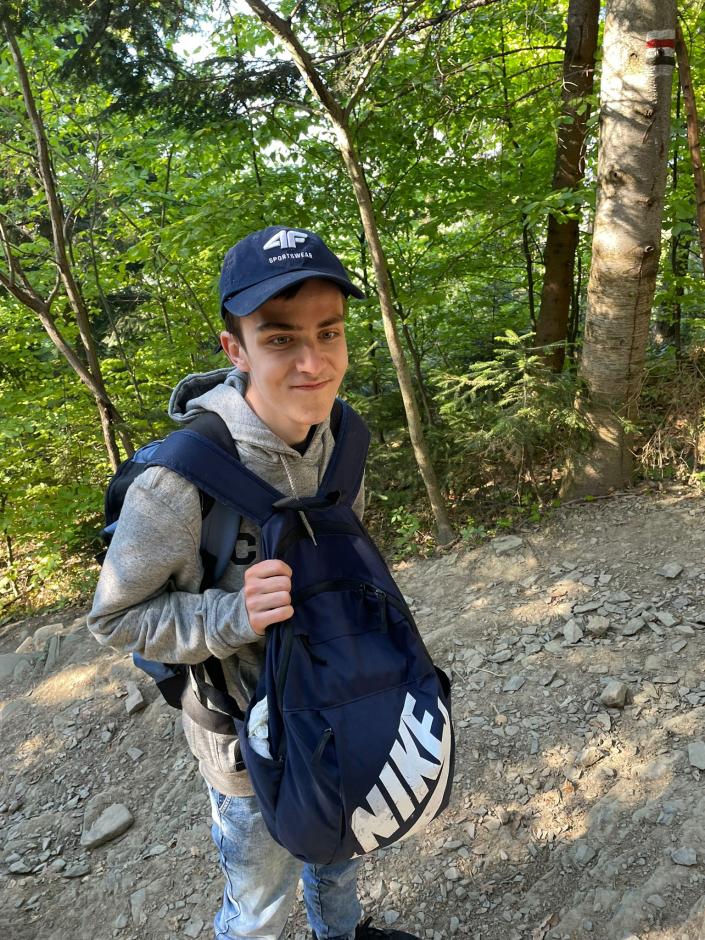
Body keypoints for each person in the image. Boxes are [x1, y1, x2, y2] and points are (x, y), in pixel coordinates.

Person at [88, 226, 422, 940]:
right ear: (235, 349)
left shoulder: (344, 441)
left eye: (329, 332)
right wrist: (231, 615)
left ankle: (341, 933)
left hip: (338, 700)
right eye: (279, 338)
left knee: (341, 840)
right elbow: (114, 618)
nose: (313, 361)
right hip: (244, 732)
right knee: (260, 896)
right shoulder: (176, 482)